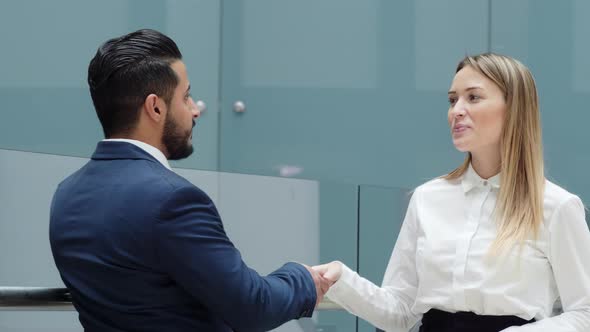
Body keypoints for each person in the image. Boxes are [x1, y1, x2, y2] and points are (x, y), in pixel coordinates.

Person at [49, 29, 331, 332]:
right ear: (155, 107)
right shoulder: (172, 200)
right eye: (186, 97)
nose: (196, 109)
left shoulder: (66, 196)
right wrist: (302, 279)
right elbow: (252, 306)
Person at [313, 53, 590, 332]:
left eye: (473, 97)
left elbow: (585, 313)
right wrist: (341, 281)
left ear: (514, 108)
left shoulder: (557, 206)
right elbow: (401, 313)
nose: (456, 110)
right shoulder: (426, 198)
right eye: (452, 99)